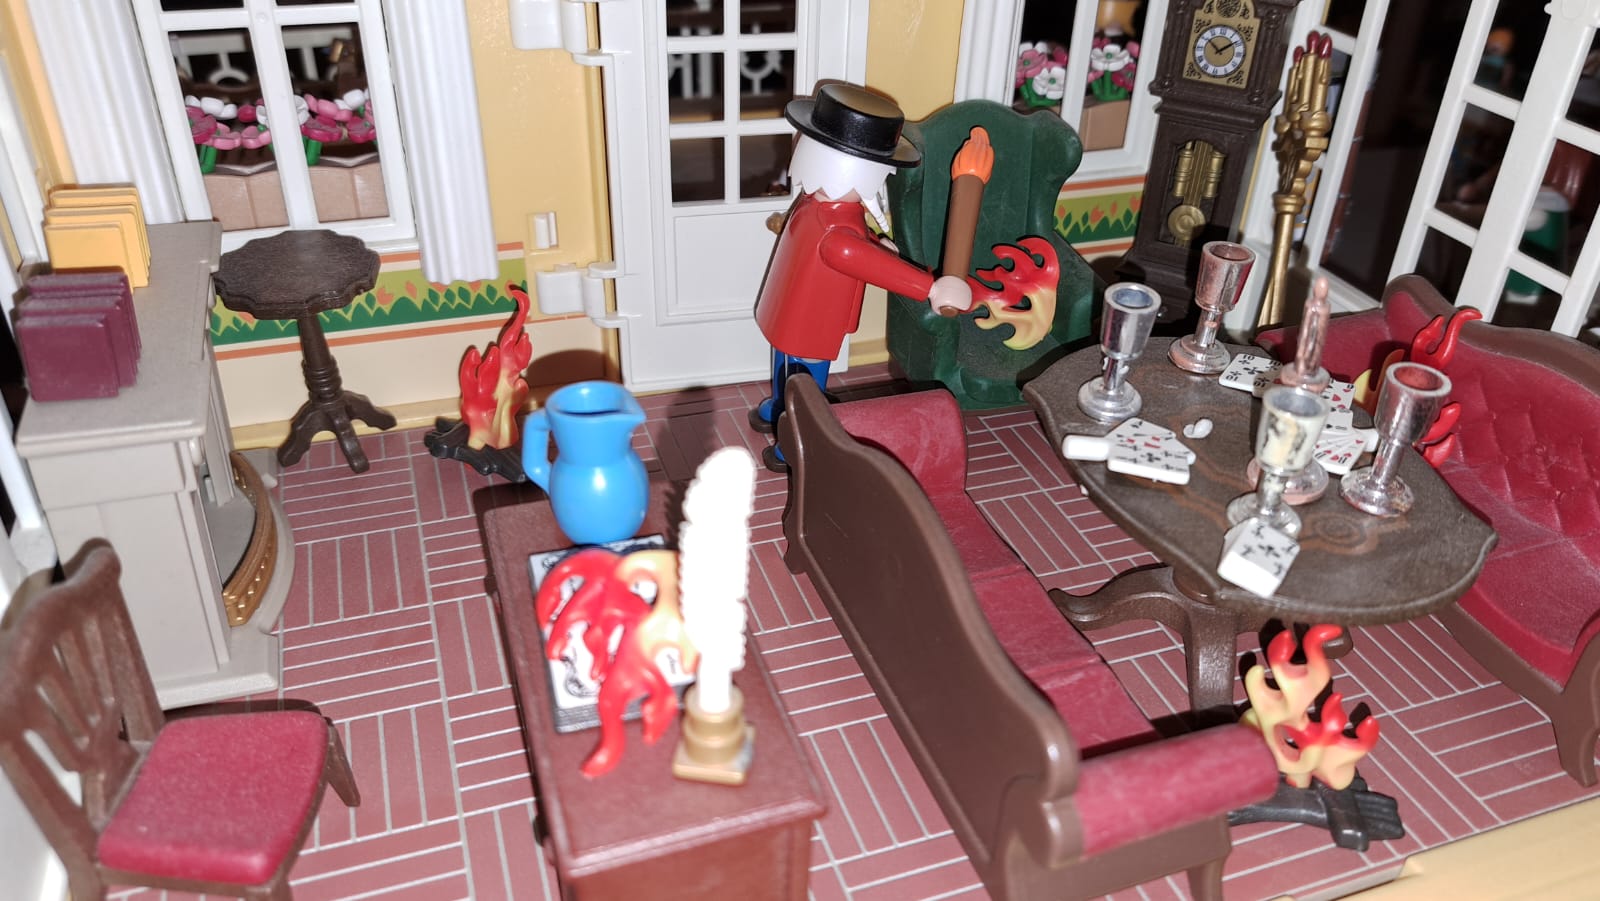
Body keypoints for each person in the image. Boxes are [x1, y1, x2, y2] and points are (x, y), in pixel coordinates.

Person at [748, 83, 972, 471]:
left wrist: (873, 241)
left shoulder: (813, 202)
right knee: (806, 384)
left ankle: (777, 408)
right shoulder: (838, 235)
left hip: (786, 310)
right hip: (813, 322)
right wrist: (932, 287)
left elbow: (853, 240)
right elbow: (865, 261)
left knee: (785, 363)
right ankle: (793, 440)